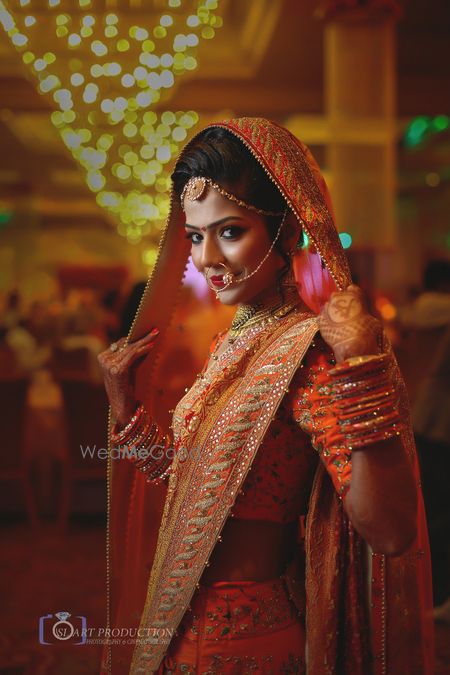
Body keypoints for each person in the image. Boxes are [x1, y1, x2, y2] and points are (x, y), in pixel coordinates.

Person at [98, 118, 434, 674]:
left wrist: (363, 368)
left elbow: (391, 530)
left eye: (230, 231)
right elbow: (190, 481)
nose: (207, 258)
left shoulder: (308, 355)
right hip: (183, 627)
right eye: (196, 235)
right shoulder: (234, 344)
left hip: (243, 646)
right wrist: (125, 409)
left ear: (286, 230)